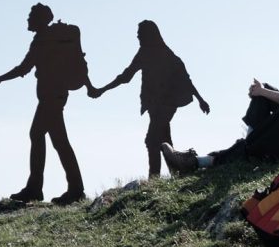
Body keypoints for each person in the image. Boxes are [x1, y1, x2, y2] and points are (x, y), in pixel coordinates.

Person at [162, 20, 279, 176]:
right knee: (265, 91)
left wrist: (261, 92)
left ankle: (197, 162)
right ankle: (251, 142)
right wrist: (262, 91)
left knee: (268, 97)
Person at [0, 3, 92, 205]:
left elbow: (23, 68)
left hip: (51, 96)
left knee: (47, 138)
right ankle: (62, 188)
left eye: (30, 16)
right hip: (54, 95)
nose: (27, 20)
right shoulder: (50, 39)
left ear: (40, 19)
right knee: (53, 140)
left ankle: (48, 189)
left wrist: (0, 78)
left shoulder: (43, 40)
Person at [89, 20, 210, 178]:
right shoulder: (145, 52)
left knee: (151, 140)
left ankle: (154, 177)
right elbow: (126, 76)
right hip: (154, 105)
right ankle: (177, 172)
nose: (138, 36)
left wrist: (200, 99)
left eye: (140, 33)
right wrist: (103, 90)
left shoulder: (162, 53)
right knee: (164, 139)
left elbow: (185, 78)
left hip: (166, 104)